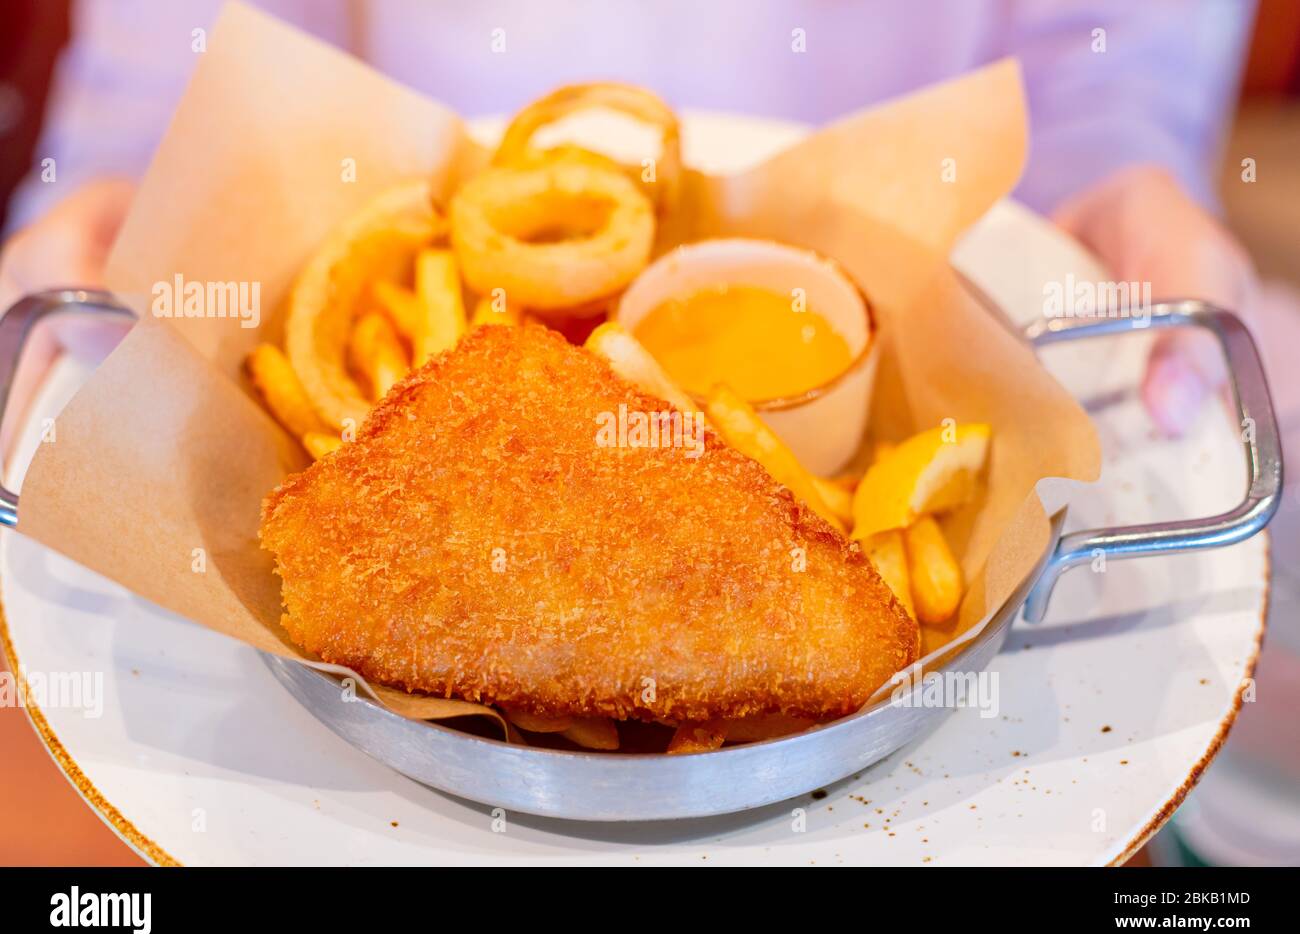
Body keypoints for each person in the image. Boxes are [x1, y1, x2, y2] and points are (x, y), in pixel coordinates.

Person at [0, 0, 1266, 443]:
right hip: (417, 331)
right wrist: (124, 211)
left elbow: (1106, 62)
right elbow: (182, 75)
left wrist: (1113, 192)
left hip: (938, 325)